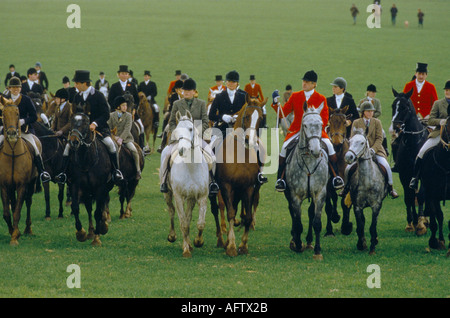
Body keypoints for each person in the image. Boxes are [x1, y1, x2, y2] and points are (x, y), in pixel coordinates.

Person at [271, 70, 344, 192]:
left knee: (330, 147)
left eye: (307, 82)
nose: (304, 84)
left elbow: (325, 118)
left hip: (315, 132)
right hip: (297, 130)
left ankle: (336, 177)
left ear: (314, 84)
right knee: (284, 148)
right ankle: (281, 179)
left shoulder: (321, 98)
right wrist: (275, 103)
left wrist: (315, 130)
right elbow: (283, 112)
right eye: (303, 81)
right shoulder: (295, 96)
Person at [55, 70, 123, 185]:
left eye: (76, 83)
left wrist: (95, 123)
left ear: (84, 83)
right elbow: (75, 115)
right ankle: (63, 173)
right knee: (67, 147)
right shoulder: (77, 97)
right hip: (80, 131)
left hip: (99, 129)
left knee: (111, 145)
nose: (75, 85)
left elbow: (106, 114)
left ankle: (116, 171)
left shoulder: (98, 96)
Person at [160, 78, 218, 194]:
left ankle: (212, 182)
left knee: (212, 157)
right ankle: (164, 182)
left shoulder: (201, 103)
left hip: (197, 137)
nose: (186, 92)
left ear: (194, 92)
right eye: (184, 90)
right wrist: (176, 133)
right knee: (166, 154)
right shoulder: (177, 104)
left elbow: (205, 122)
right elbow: (171, 122)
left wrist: (196, 132)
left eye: (189, 90)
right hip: (180, 138)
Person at [209, 70, 267, 184]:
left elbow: (249, 111)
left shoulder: (243, 96)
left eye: (233, 82)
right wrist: (222, 117)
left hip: (241, 129)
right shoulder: (220, 96)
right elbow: (211, 115)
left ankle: (259, 173)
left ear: (237, 83)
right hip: (222, 129)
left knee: (258, 146)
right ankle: (212, 178)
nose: (231, 84)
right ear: (226, 83)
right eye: (229, 81)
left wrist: (238, 117)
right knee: (211, 148)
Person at [0, 76, 51, 183]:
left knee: (35, 148)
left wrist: (23, 121)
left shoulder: (26, 100)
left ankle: (42, 172)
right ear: (9, 88)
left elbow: (33, 116)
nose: (15, 90)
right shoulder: (3, 100)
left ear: (20, 88)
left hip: (24, 131)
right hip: (7, 131)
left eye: (17, 87)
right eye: (13, 88)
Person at [345, 101, 399, 198]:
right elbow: (352, 138)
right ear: (363, 112)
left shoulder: (377, 122)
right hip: (359, 151)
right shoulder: (356, 122)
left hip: (376, 150)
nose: (370, 113)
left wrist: (373, 149)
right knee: (348, 168)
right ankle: (346, 188)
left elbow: (379, 138)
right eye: (368, 111)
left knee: (386, 166)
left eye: (372, 111)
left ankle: (391, 188)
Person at [409, 80, 450, 190]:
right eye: (446, 90)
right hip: (439, 133)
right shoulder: (438, 103)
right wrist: (441, 121)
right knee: (421, 152)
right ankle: (415, 178)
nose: (447, 92)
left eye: (449, 90)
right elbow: (431, 120)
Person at [108, 96, 142, 180]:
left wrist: (121, 138)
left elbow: (127, 129)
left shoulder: (128, 116)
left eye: (126, 105)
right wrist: (114, 137)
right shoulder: (111, 115)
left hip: (126, 139)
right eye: (123, 105)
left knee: (134, 150)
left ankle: (138, 170)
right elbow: (108, 127)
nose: (125, 107)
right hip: (113, 139)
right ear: (118, 107)